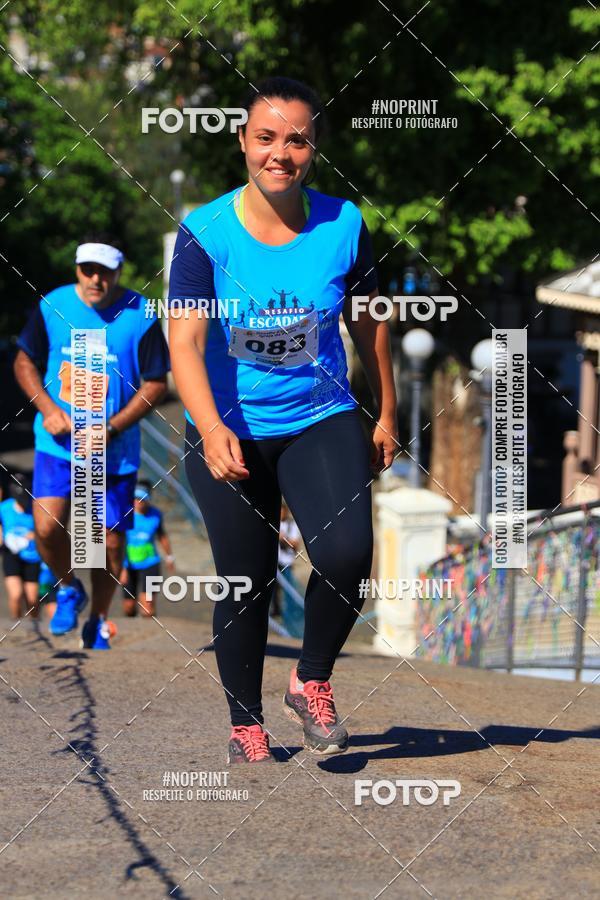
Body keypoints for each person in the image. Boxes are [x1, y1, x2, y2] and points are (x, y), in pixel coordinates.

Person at [168, 76, 398, 764]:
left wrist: (386, 412)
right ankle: (246, 725)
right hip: (230, 426)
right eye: (265, 138)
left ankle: (312, 678)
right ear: (243, 142)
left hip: (320, 416)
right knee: (248, 580)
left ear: (313, 148)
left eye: (295, 139)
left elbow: (370, 322)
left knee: (348, 554)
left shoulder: (343, 224)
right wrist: (210, 428)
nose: (280, 153)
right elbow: (184, 342)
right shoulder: (205, 234)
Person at [14, 234, 170, 649]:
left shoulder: (141, 313)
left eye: (105, 271)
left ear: (119, 271)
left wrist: (113, 427)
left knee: (107, 540)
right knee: (46, 525)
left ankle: (98, 620)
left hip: (112, 452)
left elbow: (156, 383)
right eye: (88, 270)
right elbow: (24, 361)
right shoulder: (53, 305)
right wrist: (48, 408)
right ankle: (68, 588)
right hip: (59, 445)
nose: (95, 279)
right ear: (77, 269)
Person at [120, 480, 175, 617]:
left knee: (147, 609)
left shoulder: (156, 515)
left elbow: (162, 536)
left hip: (151, 562)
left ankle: (152, 631)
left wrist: (169, 557)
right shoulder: (125, 515)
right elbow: (117, 542)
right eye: (137, 498)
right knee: (129, 608)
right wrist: (121, 568)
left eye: (143, 499)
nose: (139, 502)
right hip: (128, 564)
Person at [0, 473, 41, 620]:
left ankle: (35, 622)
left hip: (32, 555)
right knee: (16, 594)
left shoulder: (36, 508)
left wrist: (33, 536)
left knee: (32, 599)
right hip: (12, 554)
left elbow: (46, 530)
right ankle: (15, 625)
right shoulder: (4, 508)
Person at [275, 501, 304, 637]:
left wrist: (283, 538)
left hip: (287, 563)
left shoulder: (292, 525)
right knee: (273, 590)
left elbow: (295, 544)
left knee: (289, 590)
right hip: (275, 562)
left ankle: (289, 614)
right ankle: (276, 611)